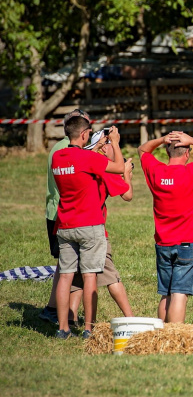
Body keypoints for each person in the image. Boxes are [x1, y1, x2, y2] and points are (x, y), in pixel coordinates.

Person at [138, 132, 193, 323]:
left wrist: (162, 140)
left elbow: (143, 149)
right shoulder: (192, 172)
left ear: (167, 153)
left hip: (163, 243)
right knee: (179, 293)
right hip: (187, 243)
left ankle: (161, 336)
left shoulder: (156, 171)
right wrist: (192, 139)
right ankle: (175, 336)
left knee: (166, 294)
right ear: (186, 153)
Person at [51, 116, 125, 338]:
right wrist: (116, 143)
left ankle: (62, 328)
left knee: (65, 276)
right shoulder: (86, 158)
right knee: (89, 276)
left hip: (65, 225)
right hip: (89, 225)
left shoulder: (56, 157)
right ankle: (88, 328)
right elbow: (119, 167)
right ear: (84, 134)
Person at [67, 130, 135, 324]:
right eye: (114, 144)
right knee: (110, 275)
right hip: (93, 229)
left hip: (71, 225)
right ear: (105, 147)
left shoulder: (85, 159)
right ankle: (130, 319)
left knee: (78, 276)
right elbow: (127, 195)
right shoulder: (102, 166)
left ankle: (71, 318)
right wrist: (126, 174)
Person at [40, 109, 90, 326]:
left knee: (65, 265)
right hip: (67, 214)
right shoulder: (69, 150)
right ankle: (60, 312)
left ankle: (59, 311)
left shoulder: (57, 147)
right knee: (70, 267)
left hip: (56, 212)